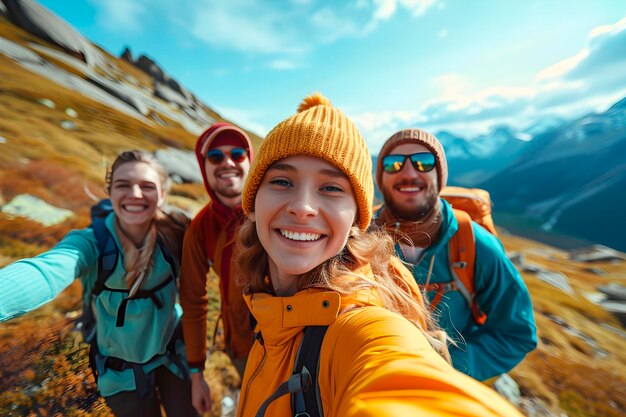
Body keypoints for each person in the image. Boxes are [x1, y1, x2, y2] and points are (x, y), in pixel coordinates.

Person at [234, 92, 526, 417]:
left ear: (353, 217)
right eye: (281, 181)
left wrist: (444, 364)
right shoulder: (269, 294)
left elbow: (389, 361)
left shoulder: (473, 246)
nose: (303, 208)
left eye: (331, 188)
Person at [0, 150, 198, 417]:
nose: (135, 194)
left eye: (147, 186)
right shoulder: (92, 242)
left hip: (176, 358)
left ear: (162, 194)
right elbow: (46, 271)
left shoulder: (178, 232)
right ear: (110, 191)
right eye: (123, 185)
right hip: (121, 375)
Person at [373, 128, 537, 381]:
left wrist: (448, 366)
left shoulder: (477, 245)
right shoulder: (357, 239)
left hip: (440, 386)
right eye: (393, 164)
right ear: (380, 178)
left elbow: (516, 335)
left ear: (440, 178)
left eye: (423, 162)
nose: (408, 172)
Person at [179, 122, 255, 414]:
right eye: (215, 157)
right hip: (241, 346)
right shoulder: (200, 228)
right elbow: (193, 299)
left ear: (249, 161)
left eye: (237, 154)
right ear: (203, 165)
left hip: (294, 338)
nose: (228, 163)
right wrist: (197, 373)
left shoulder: (273, 206)